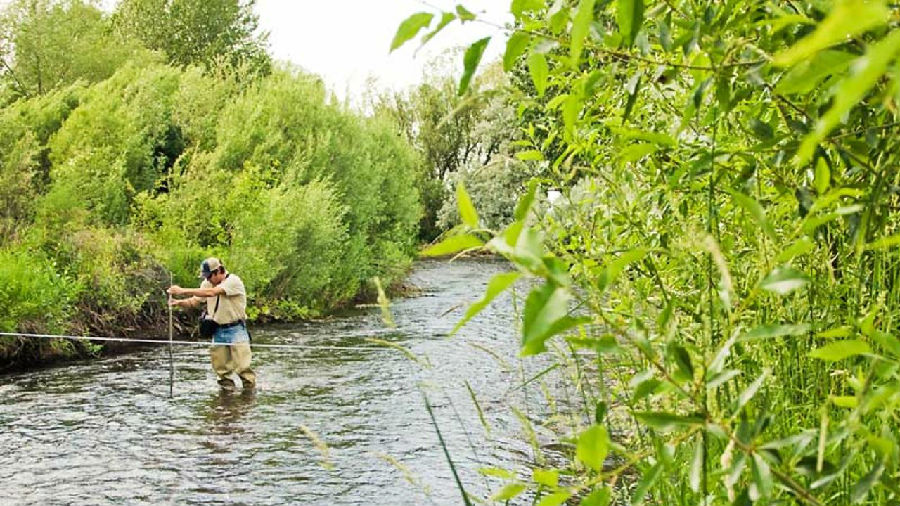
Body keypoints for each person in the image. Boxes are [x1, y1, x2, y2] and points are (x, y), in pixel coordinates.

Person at [168, 257, 256, 391]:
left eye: (209, 276)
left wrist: (182, 290)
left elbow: (212, 293)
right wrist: (179, 302)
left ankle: (248, 397)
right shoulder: (207, 283)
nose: (207, 279)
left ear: (219, 271)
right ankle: (226, 400)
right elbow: (194, 301)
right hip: (218, 330)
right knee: (221, 371)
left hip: (236, 329)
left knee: (243, 368)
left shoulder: (233, 281)